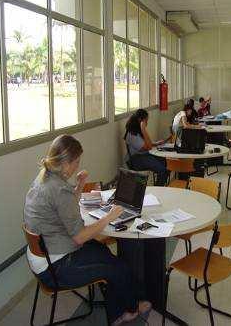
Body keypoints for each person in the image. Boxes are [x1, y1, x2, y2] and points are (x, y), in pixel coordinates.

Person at [24, 135, 151, 326]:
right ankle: (129, 310)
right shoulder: (59, 189)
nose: (77, 165)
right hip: (55, 268)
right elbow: (79, 237)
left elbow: (63, 209)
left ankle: (118, 300)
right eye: (76, 162)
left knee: (103, 251)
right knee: (119, 268)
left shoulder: (46, 177)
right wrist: (109, 217)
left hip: (47, 254)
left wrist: (79, 187)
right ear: (66, 163)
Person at [124, 109, 168, 186]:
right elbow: (148, 147)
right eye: (146, 121)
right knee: (162, 170)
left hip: (142, 155)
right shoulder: (133, 133)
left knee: (165, 161)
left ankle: (160, 183)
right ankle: (158, 189)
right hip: (135, 160)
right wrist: (143, 129)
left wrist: (155, 143)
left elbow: (147, 144)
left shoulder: (137, 130)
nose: (147, 123)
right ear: (140, 120)